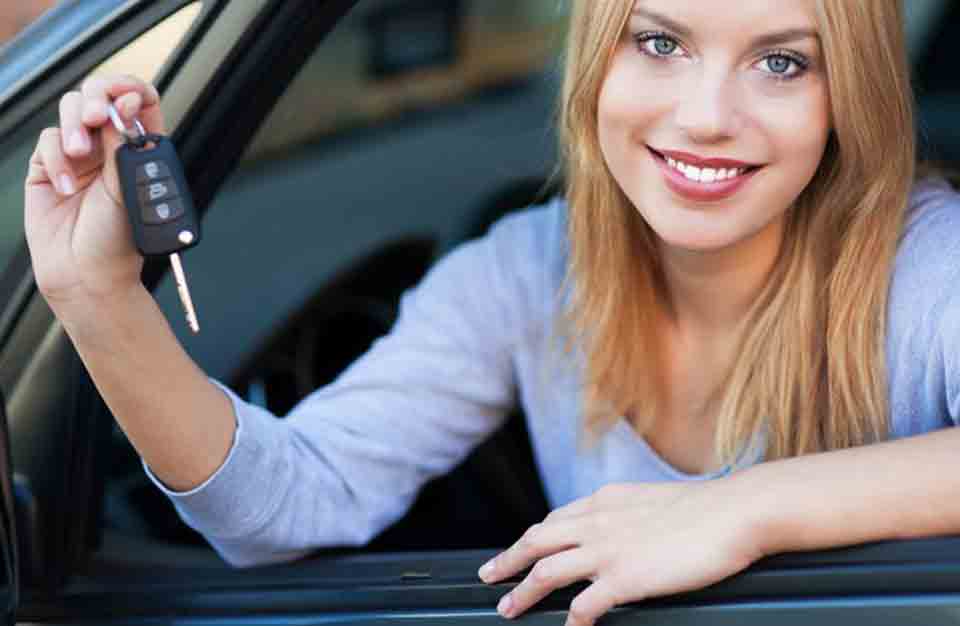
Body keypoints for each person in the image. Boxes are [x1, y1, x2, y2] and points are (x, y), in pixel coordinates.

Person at [22, 0, 960, 625]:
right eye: (661, 42)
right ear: (597, 55)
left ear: (851, 94)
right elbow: (283, 507)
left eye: (784, 62)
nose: (708, 115)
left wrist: (744, 509)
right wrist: (95, 296)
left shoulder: (930, 261)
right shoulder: (526, 271)